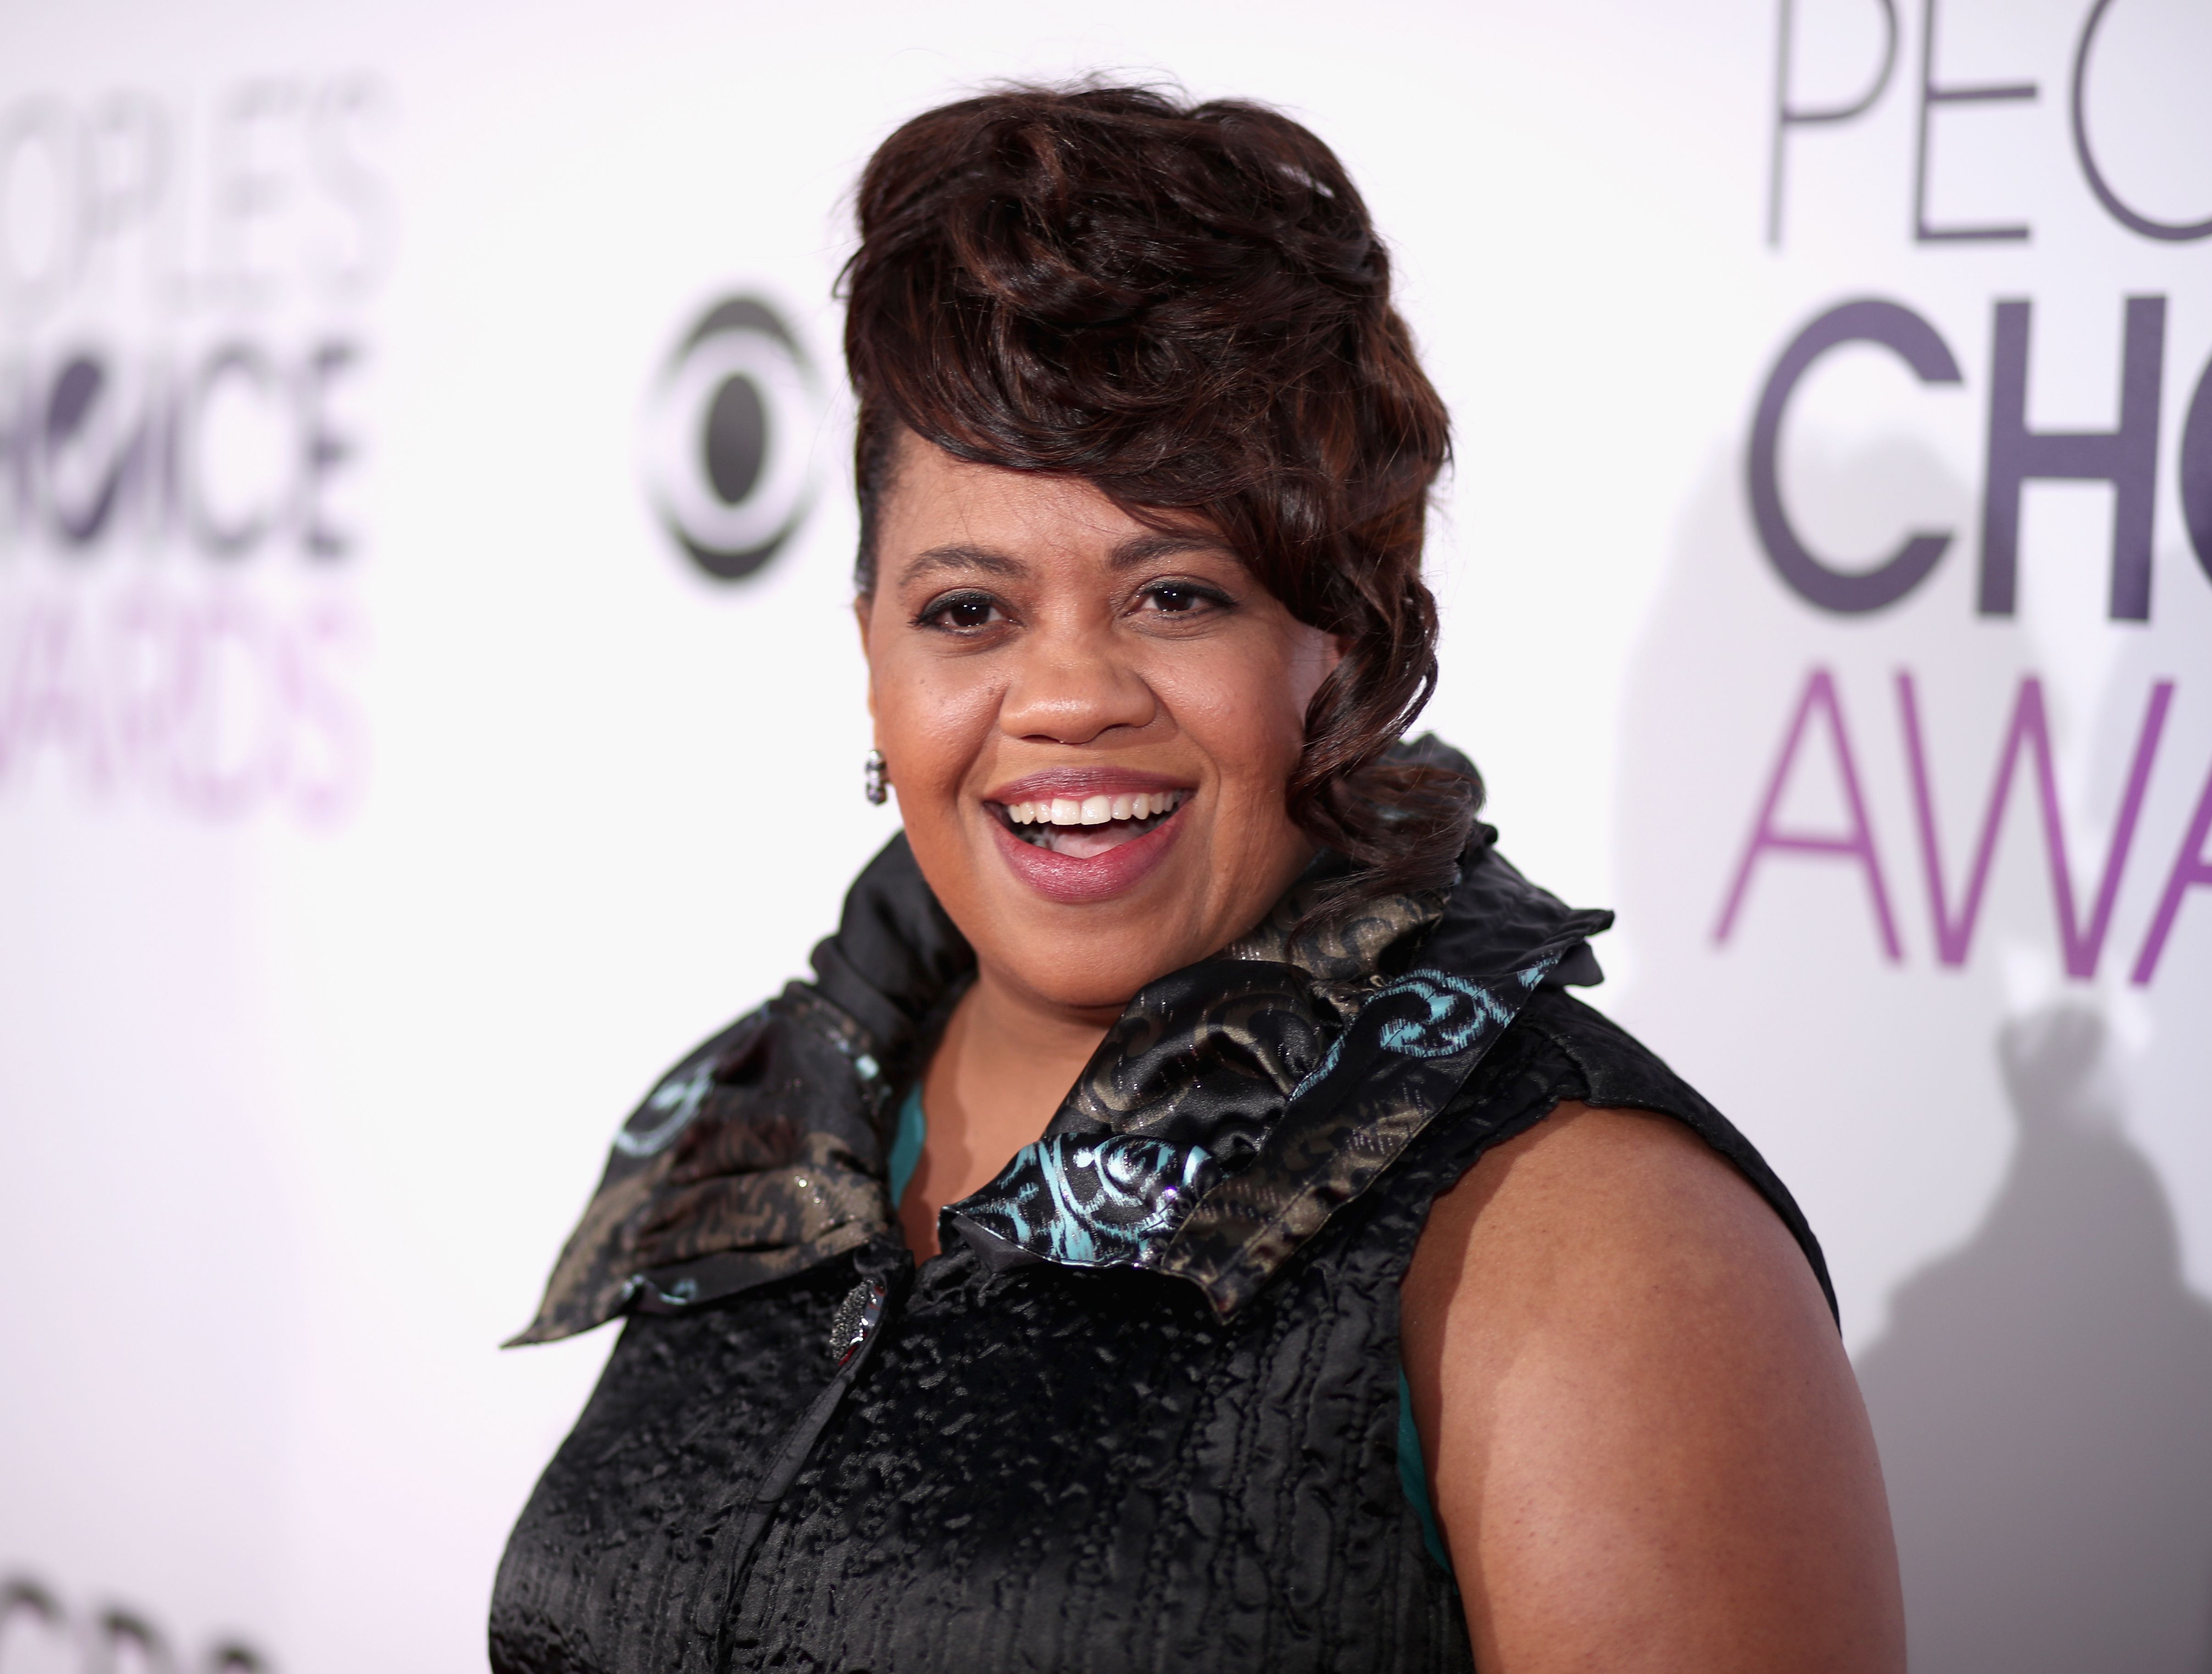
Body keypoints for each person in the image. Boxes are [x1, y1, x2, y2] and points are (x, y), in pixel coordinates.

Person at [489, 85, 1903, 1674]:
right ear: (871, 646)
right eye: (968, 611)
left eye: (1175, 594)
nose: (1068, 697)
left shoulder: (1594, 1240)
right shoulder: (770, 1122)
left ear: (1345, 645)